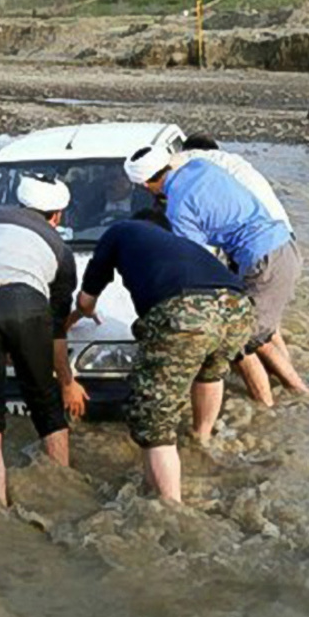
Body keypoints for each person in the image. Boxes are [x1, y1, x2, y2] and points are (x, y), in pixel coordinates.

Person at [66, 210, 253, 502]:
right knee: (210, 371)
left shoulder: (117, 232)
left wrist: (74, 318)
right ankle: (201, 439)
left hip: (185, 313)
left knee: (154, 419)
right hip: (238, 307)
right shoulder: (181, 245)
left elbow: (86, 301)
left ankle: (170, 507)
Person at [125, 146, 309, 407]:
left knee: (235, 342)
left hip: (263, 261)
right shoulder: (201, 166)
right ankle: (299, 395)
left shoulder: (179, 209)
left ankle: (268, 408)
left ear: (145, 184)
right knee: (259, 334)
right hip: (283, 247)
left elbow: (195, 263)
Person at [0, 173, 88, 506]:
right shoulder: (62, 253)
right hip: (28, 305)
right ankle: (61, 489)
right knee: (44, 400)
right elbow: (56, 332)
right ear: (58, 216)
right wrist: (67, 381)